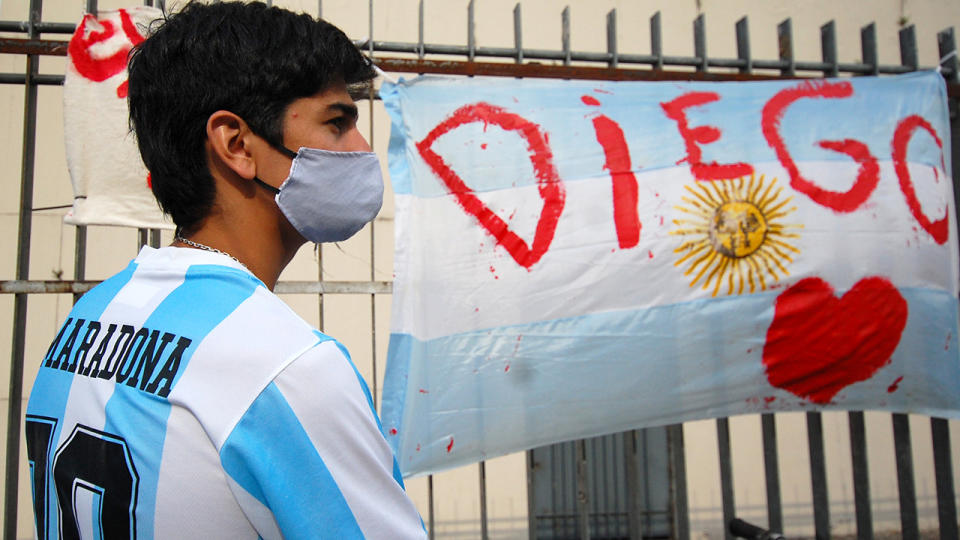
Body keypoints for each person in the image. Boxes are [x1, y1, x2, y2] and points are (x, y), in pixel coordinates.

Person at [25, 2, 426, 538]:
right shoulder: (285, 368)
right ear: (237, 144)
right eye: (338, 121)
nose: (361, 149)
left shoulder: (87, 319)